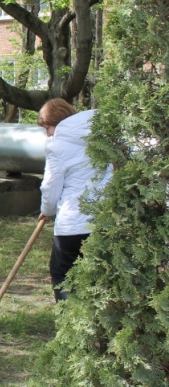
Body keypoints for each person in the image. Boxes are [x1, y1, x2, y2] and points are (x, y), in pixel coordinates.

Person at [37, 99, 111, 302]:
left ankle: (72, 326)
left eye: (48, 127)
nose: (48, 134)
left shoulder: (57, 147)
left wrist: (48, 210)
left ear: (57, 121)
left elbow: (51, 187)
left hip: (73, 225)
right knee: (100, 279)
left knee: (63, 276)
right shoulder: (103, 137)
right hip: (106, 222)